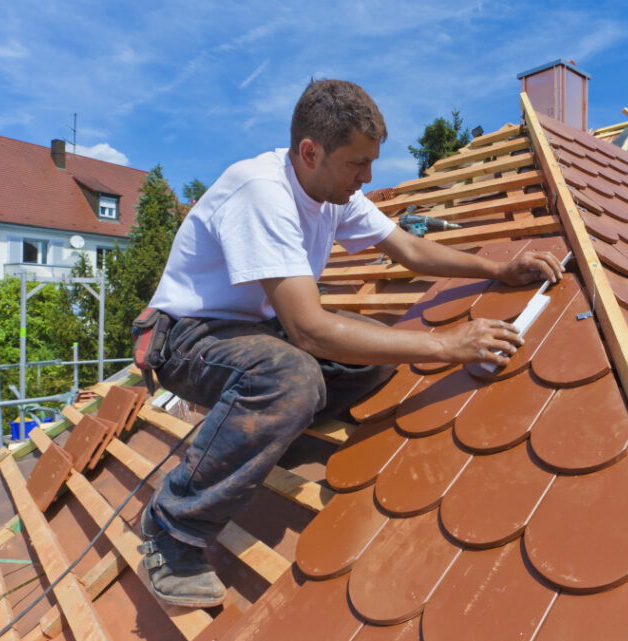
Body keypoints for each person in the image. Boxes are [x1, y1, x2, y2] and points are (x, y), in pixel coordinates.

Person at [136, 79, 562, 608]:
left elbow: (408, 248)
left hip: (253, 331)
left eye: (371, 163)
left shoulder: (331, 191)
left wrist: (498, 268)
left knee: (375, 356)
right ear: (310, 152)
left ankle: (274, 427)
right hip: (189, 336)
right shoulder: (261, 192)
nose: (366, 178)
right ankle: (172, 528)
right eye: (356, 164)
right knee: (293, 377)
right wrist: (448, 345)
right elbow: (308, 330)